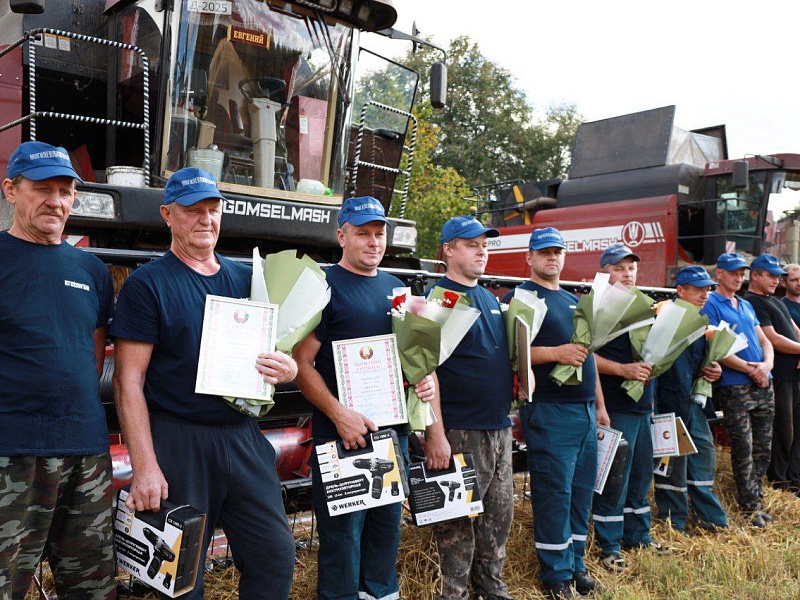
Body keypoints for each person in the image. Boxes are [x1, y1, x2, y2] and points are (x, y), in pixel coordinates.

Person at [111, 167, 298, 599]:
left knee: (275, 553)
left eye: (212, 209)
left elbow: (278, 351)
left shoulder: (247, 279)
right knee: (179, 578)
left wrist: (284, 369)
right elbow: (128, 382)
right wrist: (145, 465)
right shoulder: (148, 285)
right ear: (167, 215)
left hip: (242, 435)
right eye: (192, 211)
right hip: (180, 439)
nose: (205, 220)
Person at [293, 196, 435, 600]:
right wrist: (339, 415)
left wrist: (421, 385)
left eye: (379, 233)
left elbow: (411, 360)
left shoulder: (397, 290)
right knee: (342, 541)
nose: (373, 242)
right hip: (344, 437)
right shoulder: (322, 287)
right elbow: (301, 363)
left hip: (391, 434)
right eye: (362, 233)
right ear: (342, 236)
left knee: (384, 535)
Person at [0, 141, 117, 598]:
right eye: (42, 189)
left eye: (66, 191)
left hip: (85, 452)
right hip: (11, 452)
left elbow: (91, 356)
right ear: (11, 190)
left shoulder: (91, 270)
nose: (56, 201)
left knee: (91, 584)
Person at [507, 227, 608, 599]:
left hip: (583, 412)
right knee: (554, 493)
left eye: (558, 252)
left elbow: (588, 355)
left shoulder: (572, 299)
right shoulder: (522, 297)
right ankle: (556, 575)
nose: (552, 258)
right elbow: (513, 353)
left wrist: (599, 405)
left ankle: (576, 563)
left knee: (581, 493)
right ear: (529, 258)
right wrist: (555, 353)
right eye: (544, 252)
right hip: (550, 409)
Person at [425, 216, 514, 600]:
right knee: (457, 525)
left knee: (499, 519)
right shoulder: (439, 299)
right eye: (472, 244)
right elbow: (424, 372)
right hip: (461, 430)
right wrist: (436, 433)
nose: (482, 251)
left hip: (499, 428)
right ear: (448, 249)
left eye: (485, 245)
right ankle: (455, 594)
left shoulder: (490, 298)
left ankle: (492, 589)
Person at [590, 244, 664, 572]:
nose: (627, 274)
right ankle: (609, 544)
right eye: (619, 268)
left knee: (640, 475)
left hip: (641, 405)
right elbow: (585, 355)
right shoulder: (596, 305)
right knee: (614, 480)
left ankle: (639, 536)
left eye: (631, 267)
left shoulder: (645, 305)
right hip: (615, 404)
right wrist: (622, 372)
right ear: (604, 270)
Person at [701, 252, 775, 527]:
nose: (738, 277)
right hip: (736, 386)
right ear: (718, 273)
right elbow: (715, 346)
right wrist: (751, 369)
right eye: (733, 272)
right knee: (743, 446)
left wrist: (766, 365)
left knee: (762, 447)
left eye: (742, 273)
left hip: (761, 383)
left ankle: (757, 499)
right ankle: (748, 507)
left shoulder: (745, 304)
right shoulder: (711, 303)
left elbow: (764, 339)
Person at [653, 266, 728, 532]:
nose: (704, 295)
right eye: (697, 289)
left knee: (704, 454)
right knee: (672, 462)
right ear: (680, 290)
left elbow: (703, 364)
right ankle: (673, 524)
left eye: (707, 289)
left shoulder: (701, 322)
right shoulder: (662, 317)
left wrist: (714, 369)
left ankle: (712, 521)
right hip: (667, 404)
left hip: (693, 403)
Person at [744, 254, 800, 493]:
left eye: (778, 276)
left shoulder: (775, 300)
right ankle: (779, 481)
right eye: (771, 275)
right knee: (783, 431)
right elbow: (772, 338)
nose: (776, 280)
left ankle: (793, 479)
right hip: (780, 376)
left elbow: (795, 330)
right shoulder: (753, 301)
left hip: (794, 375)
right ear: (755, 275)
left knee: (796, 430)